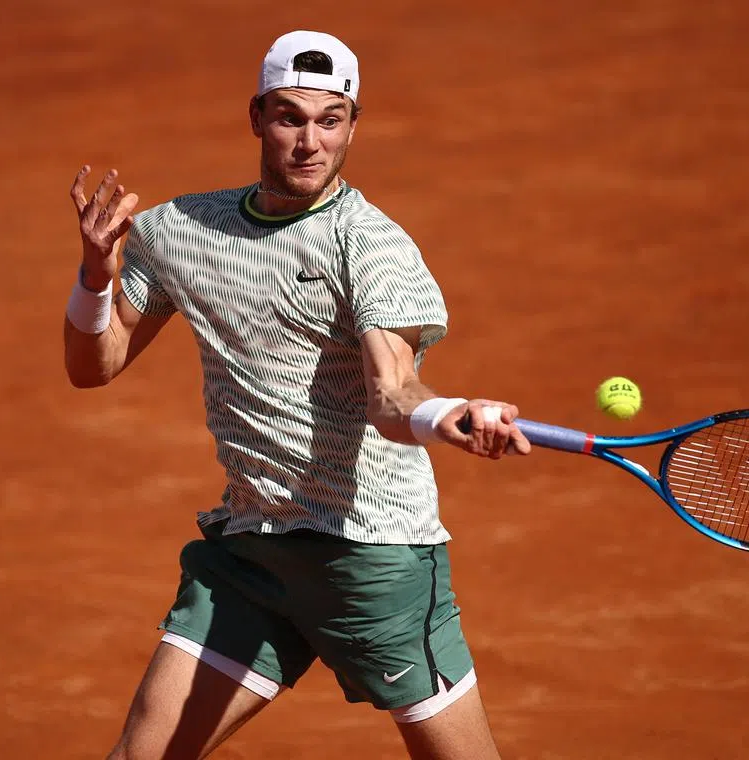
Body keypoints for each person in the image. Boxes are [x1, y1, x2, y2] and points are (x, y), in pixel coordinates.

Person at [63, 29, 532, 760]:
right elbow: (94, 365)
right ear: (256, 118)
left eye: (330, 120)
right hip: (253, 552)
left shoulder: (371, 245)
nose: (310, 141)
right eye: (289, 117)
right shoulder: (179, 232)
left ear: (351, 125)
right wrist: (95, 278)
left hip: (370, 555)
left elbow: (392, 394)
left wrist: (447, 416)